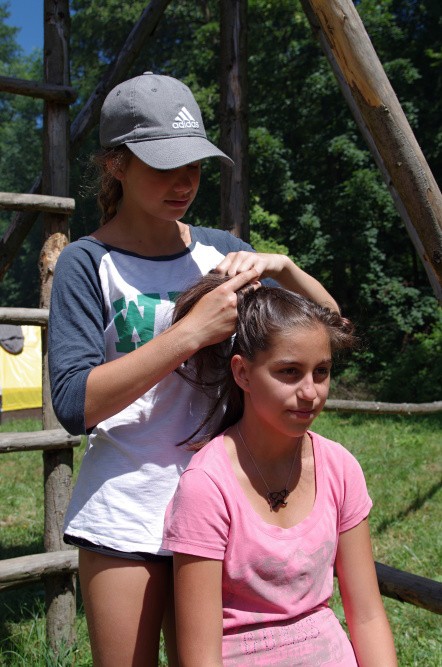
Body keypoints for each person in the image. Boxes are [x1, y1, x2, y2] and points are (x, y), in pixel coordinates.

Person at [48, 72, 339, 667]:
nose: (183, 183)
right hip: (126, 509)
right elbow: (75, 403)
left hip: (221, 502)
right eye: (164, 167)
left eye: (194, 167)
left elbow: (331, 327)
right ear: (116, 165)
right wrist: (189, 333)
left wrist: (284, 268)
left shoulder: (219, 250)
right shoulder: (87, 262)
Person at [163, 275, 398, 667]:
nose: (310, 392)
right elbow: (200, 654)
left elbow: (368, 616)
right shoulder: (206, 486)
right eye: (289, 372)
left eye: (321, 372)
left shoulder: (339, 467)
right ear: (242, 373)